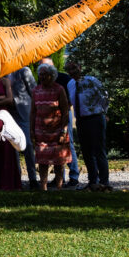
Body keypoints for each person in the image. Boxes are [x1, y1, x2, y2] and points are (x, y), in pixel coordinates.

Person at [65, 60, 111, 191]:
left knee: (99, 151)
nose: (72, 72)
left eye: (74, 68)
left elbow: (104, 96)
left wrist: (104, 112)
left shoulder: (92, 81)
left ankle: (104, 182)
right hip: (81, 120)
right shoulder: (70, 84)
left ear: (80, 67)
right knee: (86, 152)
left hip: (95, 118)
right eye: (69, 69)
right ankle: (93, 182)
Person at [40, 57, 81, 187]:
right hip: (49, 116)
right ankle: (60, 178)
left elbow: (71, 98)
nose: (43, 71)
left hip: (63, 113)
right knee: (56, 146)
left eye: (45, 67)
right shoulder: (42, 80)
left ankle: (73, 176)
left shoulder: (64, 78)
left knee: (68, 143)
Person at [31, 63, 72, 190]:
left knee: (59, 162)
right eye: (40, 75)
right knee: (42, 162)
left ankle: (59, 187)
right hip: (40, 131)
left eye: (45, 75)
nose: (42, 77)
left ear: (52, 75)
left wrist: (63, 132)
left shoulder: (59, 89)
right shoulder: (36, 90)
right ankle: (43, 187)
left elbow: (65, 111)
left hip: (57, 131)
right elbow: (33, 112)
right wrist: (31, 131)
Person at [10, 67, 38, 189]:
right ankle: (17, 179)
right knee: (12, 147)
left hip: (24, 112)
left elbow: (34, 91)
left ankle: (33, 179)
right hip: (8, 113)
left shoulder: (23, 71)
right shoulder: (1, 71)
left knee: (28, 145)